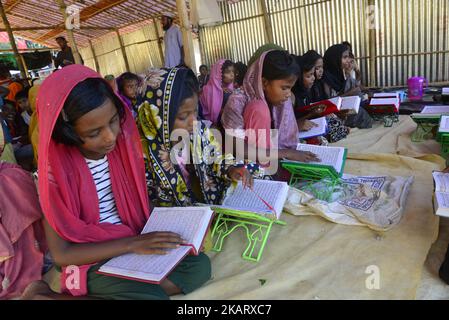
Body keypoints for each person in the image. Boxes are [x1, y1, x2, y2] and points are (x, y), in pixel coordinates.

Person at [28, 65, 211, 300]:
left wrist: (180, 233)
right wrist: (132, 245)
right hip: (92, 260)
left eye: (114, 121)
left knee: (199, 267)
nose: (110, 136)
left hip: (131, 242)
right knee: (150, 296)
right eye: (94, 133)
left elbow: (138, 209)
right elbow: (62, 255)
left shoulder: (122, 152)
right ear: (67, 133)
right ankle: (44, 296)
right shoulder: (52, 177)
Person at [137, 66, 257, 208]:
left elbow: (214, 156)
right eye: (183, 116)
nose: (193, 121)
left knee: (253, 170)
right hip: (173, 218)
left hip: (204, 207)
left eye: (195, 111)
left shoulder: (197, 130)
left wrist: (231, 169)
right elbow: (148, 202)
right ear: (156, 115)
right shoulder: (141, 152)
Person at [295, 50, 350, 143]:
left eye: (322, 67)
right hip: (301, 127)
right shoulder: (295, 95)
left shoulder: (315, 85)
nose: (321, 71)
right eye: (317, 68)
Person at [323, 44, 372, 129]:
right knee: (361, 115)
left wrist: (349, 73)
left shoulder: (339, 75)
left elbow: (354, 88)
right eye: (345, 57)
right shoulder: (325, 79)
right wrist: (350, 93)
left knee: (362, 113)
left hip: (342, 112)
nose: (348, 60)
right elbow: (328, 103)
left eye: (348, 57)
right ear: (335, 59)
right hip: (334, 116)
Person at [199, 59, 235, 125]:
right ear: (219, 74)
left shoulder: (230, 89)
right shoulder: (208, 91)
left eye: (233, 71)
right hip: (210, 126)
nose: (232, 74)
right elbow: (214, 112)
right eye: (228, 72)